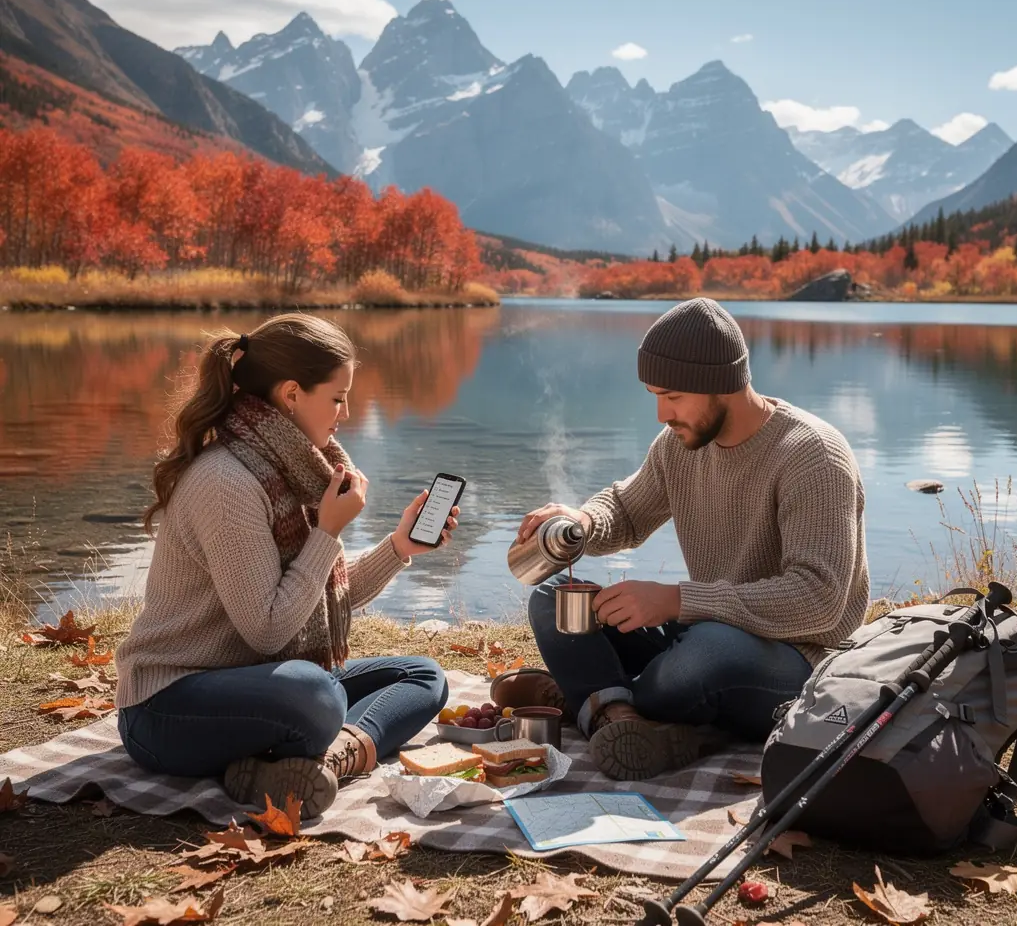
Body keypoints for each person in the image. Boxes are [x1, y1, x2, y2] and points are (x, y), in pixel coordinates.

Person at [503, 297, 869, 781]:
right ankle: (623, 714)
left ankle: (593, 699)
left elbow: (818, 601)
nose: (661, 413)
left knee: (700, 660)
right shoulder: (680, 445)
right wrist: (582, 521)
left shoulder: (812, 457)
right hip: (703, 627)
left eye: (672, 396)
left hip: (795, 662)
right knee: (554, 599)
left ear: (723, 385)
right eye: (655, 395)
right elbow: (626, 512)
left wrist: (676, 600)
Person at [115, 313, 457, 818]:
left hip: (250, 682)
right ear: (292, 394)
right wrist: (327, 532)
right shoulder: (226, 482)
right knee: (316, 694)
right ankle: (307, 744)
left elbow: (310, 595)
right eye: (337, 398)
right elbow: (271, 629)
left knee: (423, 677)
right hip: (167, 708)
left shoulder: (294, 470)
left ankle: (328, 760)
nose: (346, 413)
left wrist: (400, 547)